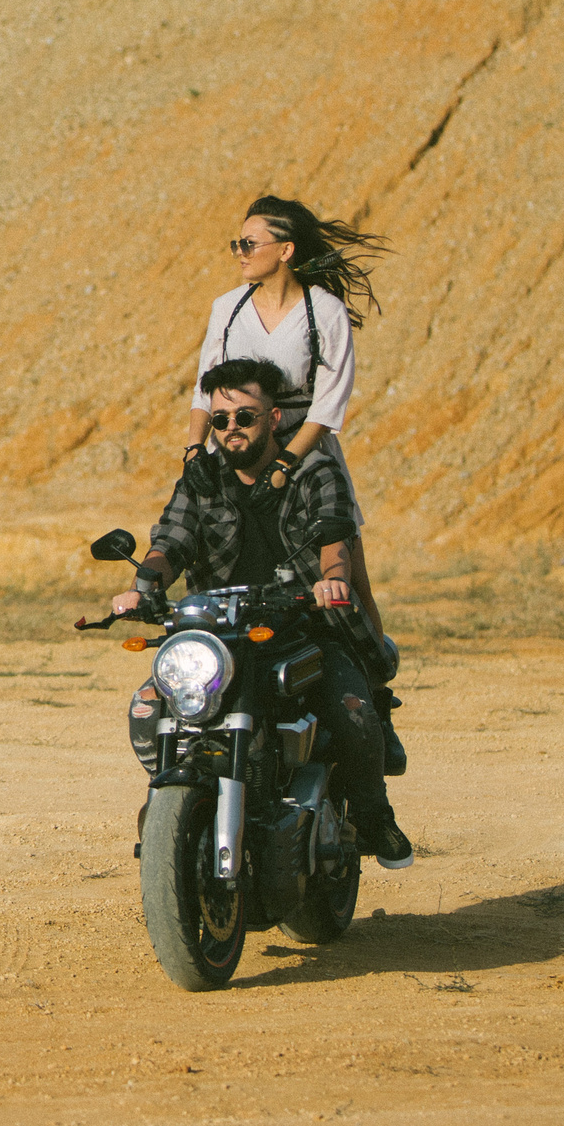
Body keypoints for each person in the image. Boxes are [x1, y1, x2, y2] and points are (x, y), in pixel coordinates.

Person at [117, 357, 412, 868]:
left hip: (304, 627)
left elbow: (335, 538)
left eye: (244, 417)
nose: (231, 428)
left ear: (274, 418)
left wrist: (333, 580)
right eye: (220, 419)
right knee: (146, 708)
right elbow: (170, 543)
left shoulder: (315, 471)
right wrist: (143, 586)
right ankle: (173, 799)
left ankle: (372, 815)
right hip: (223, 634)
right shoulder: (202, 478)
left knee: (353, 713)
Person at [187, 195, 388, 644]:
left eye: (249, 244)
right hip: (237, 449)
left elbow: (328, 404)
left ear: (285, 250)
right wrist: (195, 449)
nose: (239, 253)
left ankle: (373, 673)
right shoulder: (227, 308)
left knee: (350, 581)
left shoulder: (325, 311)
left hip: (303, 454)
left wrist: (284, 464)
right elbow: (203, 388)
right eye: (237, 244)